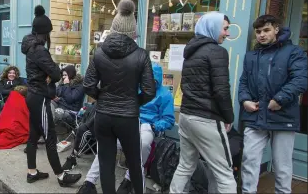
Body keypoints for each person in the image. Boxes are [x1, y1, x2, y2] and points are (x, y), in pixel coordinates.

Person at [83, 0, 156, 194]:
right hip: (128, 117)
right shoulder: (141, 54)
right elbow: (149, 90)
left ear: (114, 27)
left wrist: (103, 97)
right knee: (134, 162)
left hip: (104, 116)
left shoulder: (99, 52)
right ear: (133, 31)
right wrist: (133, 102)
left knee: (106, 162)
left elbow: (88, 85)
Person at [77, 63, 174, 194]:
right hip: (128, 120)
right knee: (107, 146)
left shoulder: (165, 95)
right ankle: (89, 182)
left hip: (148, 125)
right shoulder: (135, 88)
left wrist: (154, 126)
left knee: (143, 144)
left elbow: (169, 119)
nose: (149, 82)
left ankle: (129, 180)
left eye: (153, 80)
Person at [238, 15, 308, 194]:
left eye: (266, 30)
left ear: (276, 29)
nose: (261, 35)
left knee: (282, 166)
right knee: (249, 162)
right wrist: (244, 100)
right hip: (255, 117)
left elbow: (301, 79)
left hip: (282, 116)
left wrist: (279, 99)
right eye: (258, 31)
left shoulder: (294, 52)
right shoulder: (251, 56)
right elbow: (244, 82)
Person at [169, 12, 236, 194]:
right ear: (213, 28)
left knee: (185, 165)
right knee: (225, 174)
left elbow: (185, 85)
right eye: (224, 28)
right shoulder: (217, 52)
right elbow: (222, 90)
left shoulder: (191, 52)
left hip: (186, 116)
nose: (227, 34)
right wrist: (229, 117)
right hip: (207, 118)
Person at [21, 5, 82, 187]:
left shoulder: (29, 45)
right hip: (40, 97)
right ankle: (61, 176)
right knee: (50, 137)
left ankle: (32, 172)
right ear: (44, 33)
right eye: (49, 33)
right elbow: (56, 74)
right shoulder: (39, 50)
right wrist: (51, 74)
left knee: (33, 135)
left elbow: (51, 72)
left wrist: (49, 73)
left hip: (32, 95)